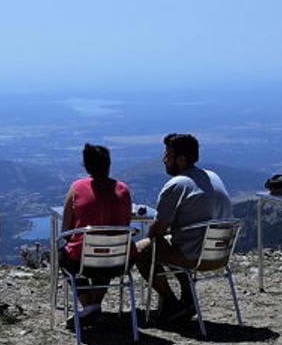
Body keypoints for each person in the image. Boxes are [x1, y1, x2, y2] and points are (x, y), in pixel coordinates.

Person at [135, 132, 233, 322]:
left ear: (180, 160)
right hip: (221, 255)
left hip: (195, 257)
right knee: (180, 241)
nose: (164, 160)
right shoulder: (213, 176)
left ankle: (171, 303)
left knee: (142, 250)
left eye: (167, 155)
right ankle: (188, 299)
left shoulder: (178, 184)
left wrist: (154, 235)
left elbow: (157, 230)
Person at [59, 143, 134, 320]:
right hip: (118, 260)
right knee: (108, 248)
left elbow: (66, 230)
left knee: (64, 255)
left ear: (86, 166)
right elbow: (126, 224)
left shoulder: (77, 188)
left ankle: (89, 306)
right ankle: (95, 304)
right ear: (108, 165)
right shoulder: (123, 190)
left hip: (83, 261)